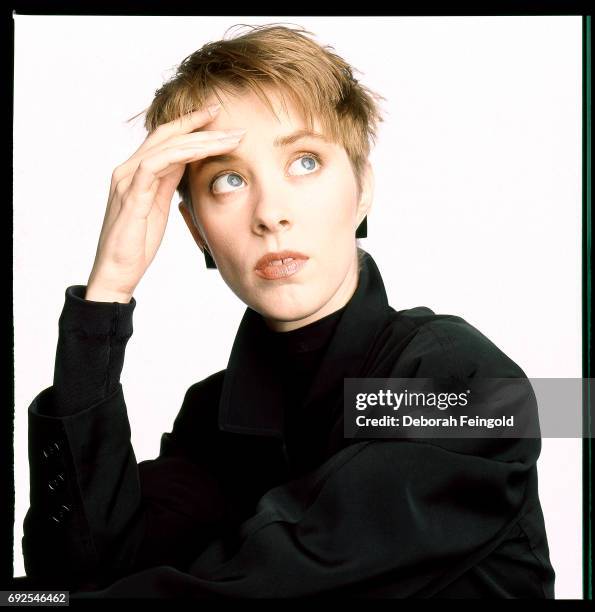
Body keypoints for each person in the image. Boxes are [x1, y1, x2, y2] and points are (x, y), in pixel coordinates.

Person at [21, 23, 555, 598]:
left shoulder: (473, 384)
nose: (270, 212)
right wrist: (107, 293)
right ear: (196, 229)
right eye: (229, 179)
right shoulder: (217, 414)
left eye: (304, 162)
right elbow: (78, 575)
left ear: (363, 188)